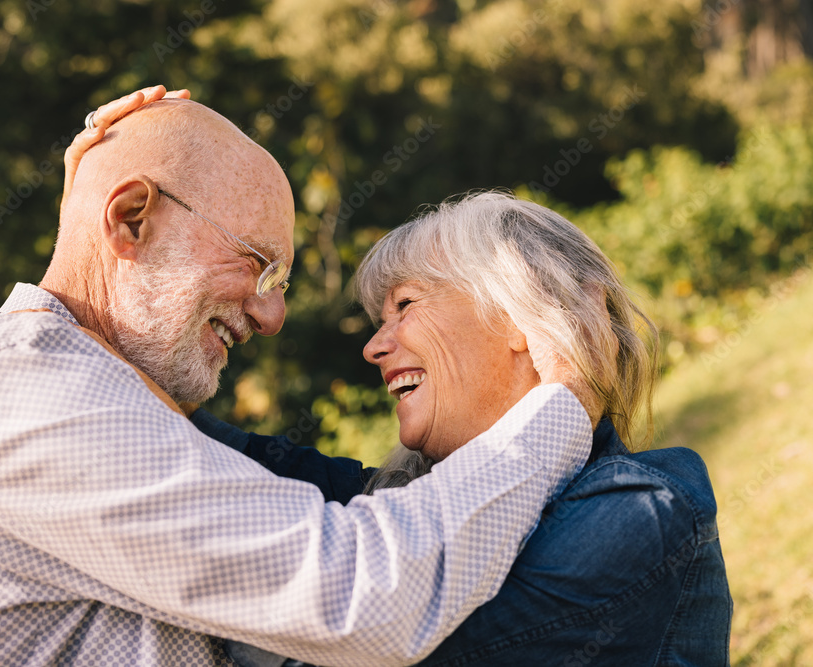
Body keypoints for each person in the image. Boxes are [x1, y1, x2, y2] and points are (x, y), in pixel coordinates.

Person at [0, 88, 604, 666]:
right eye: (257, 263)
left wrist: (92, 220)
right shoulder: (17, 388)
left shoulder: (48, 378)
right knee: (658, 511)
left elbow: (96, 303)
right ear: (134, 220)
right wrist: (564, 402)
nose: (272, 314)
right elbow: (362, 591)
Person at [190, 193, 734, 665]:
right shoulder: (409, 500)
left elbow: (358, 652)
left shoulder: (642, 508)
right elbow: (194, 442)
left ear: (523, 313)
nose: (374, 347)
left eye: (405, 305)